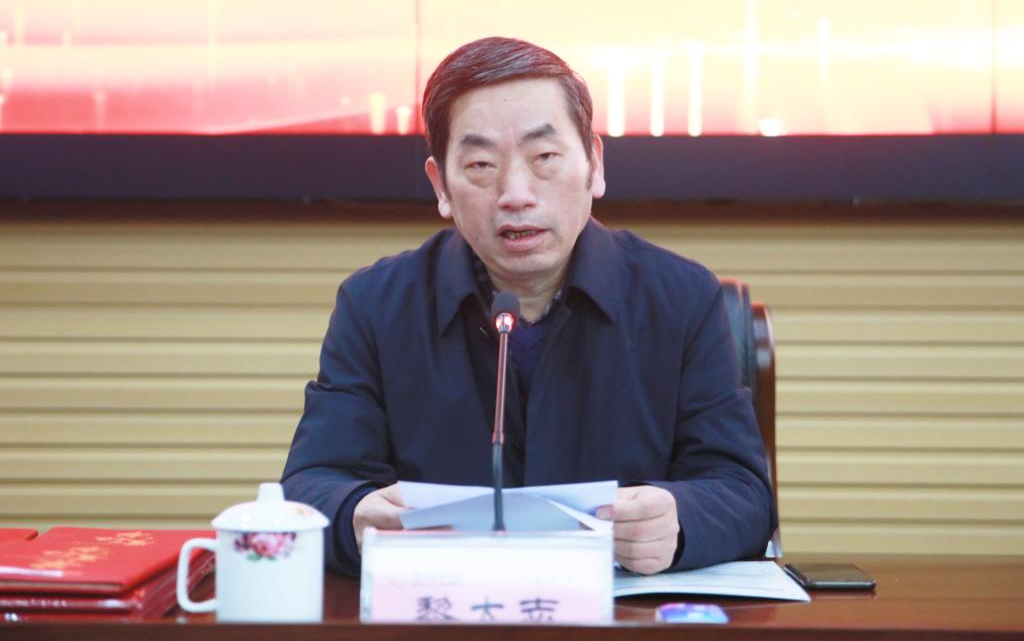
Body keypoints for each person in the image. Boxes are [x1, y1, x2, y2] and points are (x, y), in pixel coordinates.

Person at [282, 36, 777, 576]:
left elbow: (743, 493)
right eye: (481, 165)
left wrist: (679, 522)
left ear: (594, 164)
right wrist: (354, 516)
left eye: (544, 158)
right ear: (441, 186)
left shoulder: (681, 299)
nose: (516, 193)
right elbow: (312, 486)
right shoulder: (376, 306)